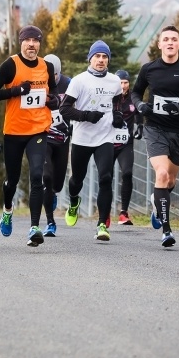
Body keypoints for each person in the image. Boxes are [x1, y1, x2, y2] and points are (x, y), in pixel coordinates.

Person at [131, 25, 179, 247]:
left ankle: (158, 202)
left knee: (170, 180)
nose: (170, 42)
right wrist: (139, 106)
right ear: (160, 44)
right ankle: (166, 230)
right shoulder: (149, 69)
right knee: (162, 174)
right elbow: (136, 92)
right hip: (155, 129)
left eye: (174, 39)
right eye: (166, 39)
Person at [0, 25, 58, 247]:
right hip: (15, 131)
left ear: (39, 44)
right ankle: (8, 210)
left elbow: (53, 96)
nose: (31, 45)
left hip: (38, 129)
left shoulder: (47, 66)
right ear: (21, 43)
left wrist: (52, 101)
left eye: (36, 41)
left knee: (37, 175)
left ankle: (34, 227)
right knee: (12, 180)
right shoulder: (11, 65)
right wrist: (16, 90)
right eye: (27, 41)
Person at [59, 40, 123, 242]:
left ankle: (102, 224)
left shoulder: (114, 82)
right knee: (77, 179)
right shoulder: (79, 80)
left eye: (105, 57)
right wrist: (86, 116)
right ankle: (74, 201)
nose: (101, 60)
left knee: (106, 178)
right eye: (97, 56)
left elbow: (117, 103)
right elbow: (64, 109)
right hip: (82, 137)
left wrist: (118, 115)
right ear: (90, 58)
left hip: (105, 137)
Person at [40, 53, 71, 237]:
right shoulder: (38, 82)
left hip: (63, 139)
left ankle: (53, 194)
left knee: (57, 184)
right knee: (46, 176)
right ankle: (50, 222)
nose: (52, 79)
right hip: (44, 137)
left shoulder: (69, 84)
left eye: (55, 76)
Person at [113, 69, 143, 225]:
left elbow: (138, 112)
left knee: (127, 173)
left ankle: (123, 212)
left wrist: (140, 125)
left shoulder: (132, 97)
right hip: (108, 143)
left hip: (125, 144)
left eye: (125, 83)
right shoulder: (110, 96)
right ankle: (104, 214)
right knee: (106, 176)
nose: (123, 86)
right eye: (120, 83)